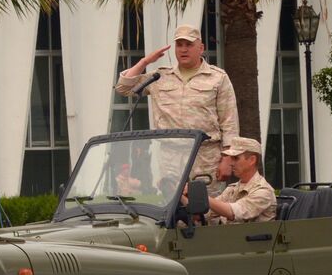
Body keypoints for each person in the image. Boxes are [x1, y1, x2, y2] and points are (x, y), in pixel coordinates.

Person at [115, 24, 238, 192]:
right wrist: (145, 61)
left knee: (207, 208)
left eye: (189, 45)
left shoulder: (217, 78)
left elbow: (229, 121)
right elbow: (123, 88)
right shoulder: (160, 77)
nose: (183, 50)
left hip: (205, 157)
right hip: (169, 158)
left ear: (201, 48)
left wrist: (227, 158)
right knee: (172, 209)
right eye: (179, 45)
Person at [198, 137, 276, 224]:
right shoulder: (232, 189)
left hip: (249, 236)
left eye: (235, 158)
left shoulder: (263, 192)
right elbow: (203, 213)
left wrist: (202, 196)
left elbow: (232, 213)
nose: (231, 163)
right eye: (231, 158)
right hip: (231, 236)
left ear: (252, 160)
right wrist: (185, 194)